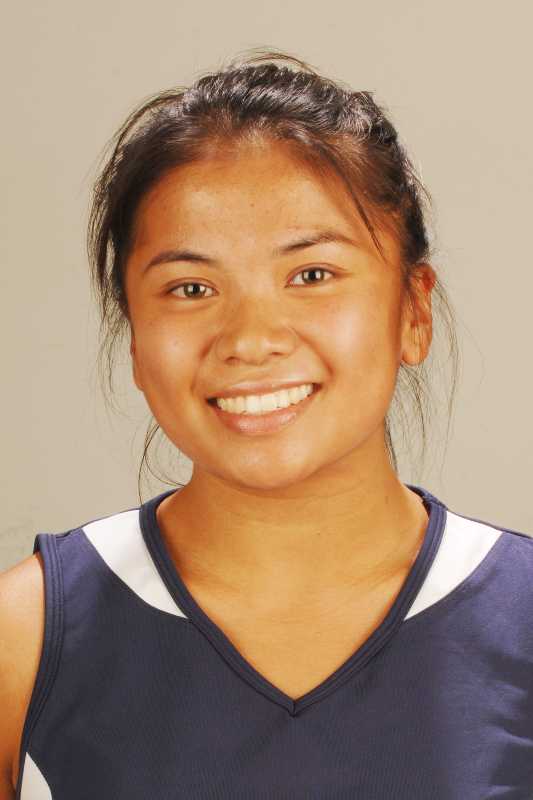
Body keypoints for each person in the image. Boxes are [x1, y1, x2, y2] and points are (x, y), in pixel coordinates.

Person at [1, 48, 532, 800]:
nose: (250, 340)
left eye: (311, 275)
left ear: (413, 311)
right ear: (135, 341)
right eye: (190, 288)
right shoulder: (23, 639)